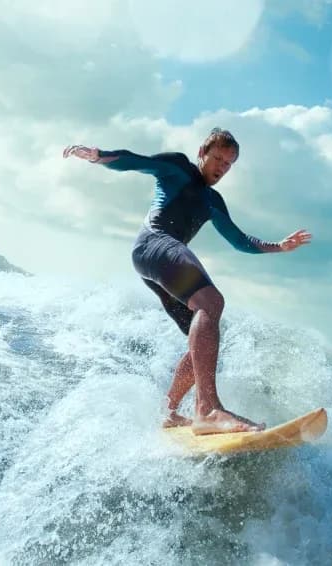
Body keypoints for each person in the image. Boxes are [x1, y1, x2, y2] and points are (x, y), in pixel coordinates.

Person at [63, 128, 311, 435]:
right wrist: (101, 157)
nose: (222, 167)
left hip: (156, 262)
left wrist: (279, 246)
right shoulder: (179, 167)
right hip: (155, 244)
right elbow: (138, 161)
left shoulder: (213, 201)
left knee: (202, 341)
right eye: (218, 157)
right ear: (202, 153)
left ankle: (168, 412)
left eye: (229, 163)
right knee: (212, 302)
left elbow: (239, 240)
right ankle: (207, 409)